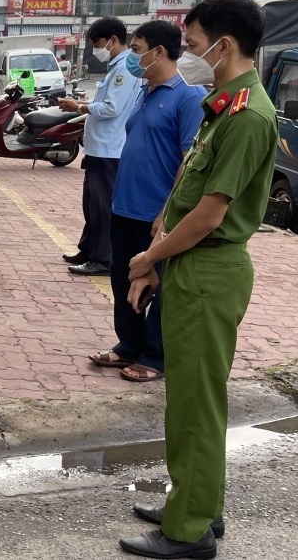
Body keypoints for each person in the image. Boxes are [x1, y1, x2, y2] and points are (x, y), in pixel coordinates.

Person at [119, 0, 278, 559]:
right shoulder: (223, 103)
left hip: (209, 269)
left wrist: (148, 258)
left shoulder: (248, 116)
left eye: (191, 45)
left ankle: (188, 532)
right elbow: (188, 191)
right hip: (193, 264)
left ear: (224, 45)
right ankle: (199, 504)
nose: (188, 54)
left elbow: (211, 214)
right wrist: (163, 242)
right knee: (190, 399)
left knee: (196, 403)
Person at [88, 20, 205, 383]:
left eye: (137, 51)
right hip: (125, 206)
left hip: (156, 214)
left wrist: (166, 212)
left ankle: (155, 356)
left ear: (159, 52)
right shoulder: (146, 91)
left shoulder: (189, 96)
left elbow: (188, 161)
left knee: (158, 284)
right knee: (123, 279)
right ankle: (128, 345)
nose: (133, 58)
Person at [58, 17, 141, 276]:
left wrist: (79, 107)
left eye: (98, 44)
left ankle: (103, 259)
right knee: (92, 204)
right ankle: (89, 248)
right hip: (99, 148)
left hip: (110, 149)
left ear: (113, 41)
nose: (97, 50)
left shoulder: (125, 68)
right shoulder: (116, 67)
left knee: (103, 207)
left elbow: (111, 108)